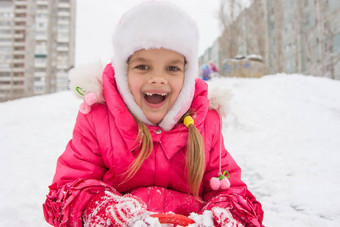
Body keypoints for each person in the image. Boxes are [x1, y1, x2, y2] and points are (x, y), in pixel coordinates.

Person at [43, 1, 264, 227]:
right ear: (123, 71)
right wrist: (99, 209)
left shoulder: (205, 123)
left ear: (188, 77)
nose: (158, 78)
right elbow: (68, 187)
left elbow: (231, 189)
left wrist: (226, 213)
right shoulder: (98, 119)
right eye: (143, 67)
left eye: (172, 68)